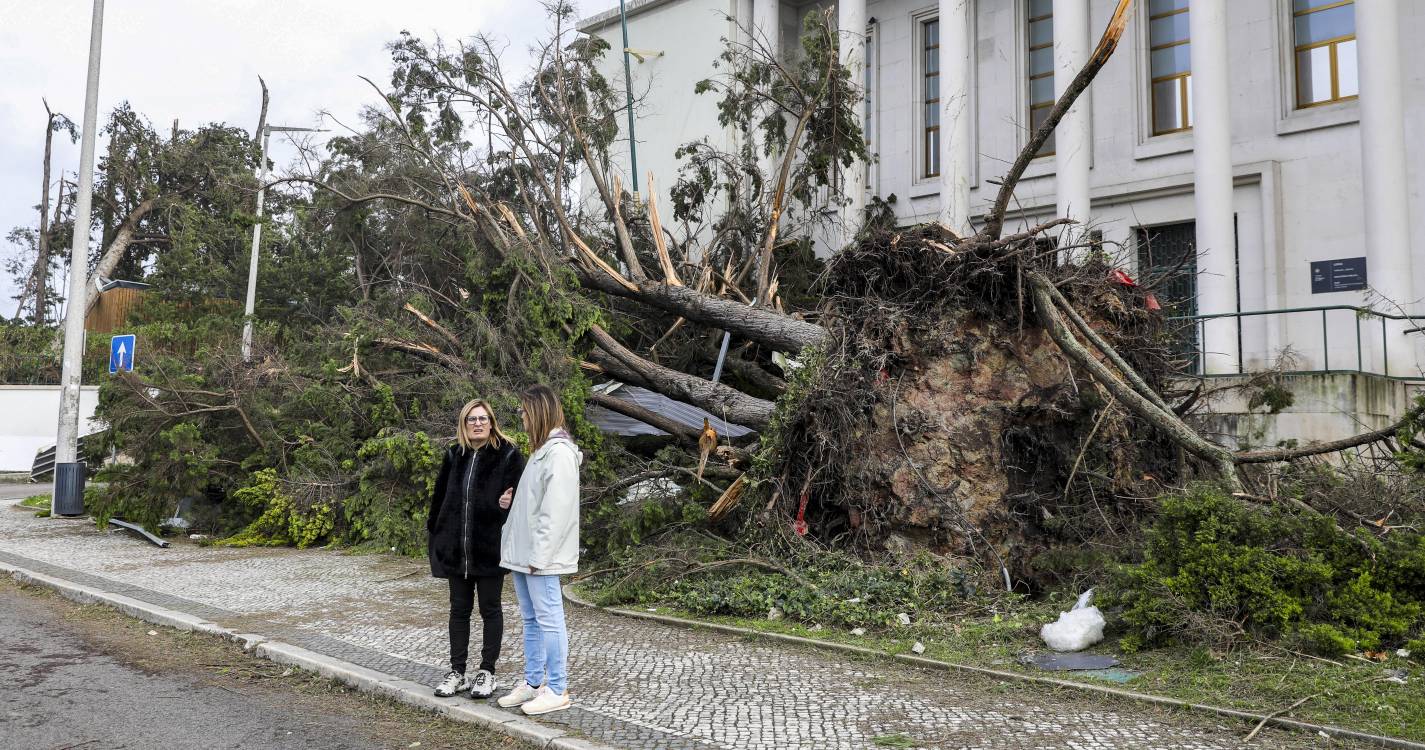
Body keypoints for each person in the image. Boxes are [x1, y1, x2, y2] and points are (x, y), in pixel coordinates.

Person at [427, 398, 525, 700]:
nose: (478, 423)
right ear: (464, 424)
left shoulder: (508, 454)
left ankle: (487, 672)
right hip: (457, 550)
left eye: (483, 418)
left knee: (490, 609)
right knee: (458, 610)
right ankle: (457, 671)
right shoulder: (454, 454)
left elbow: (522, 500)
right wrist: (436, 537)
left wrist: (507, 507)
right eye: (472, 419)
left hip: (490, 549)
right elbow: (439, 499)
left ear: (492, 422)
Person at [496, 384, 582, 716]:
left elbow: (555, 512)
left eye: (523, 411)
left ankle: (557, 688)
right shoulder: (541, 451)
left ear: (538, 411)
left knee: (549, 620)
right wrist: (511, 500)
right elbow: (535, 504)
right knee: (532, 620)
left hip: (538, 558)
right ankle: (533, 683)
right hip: (524, 555)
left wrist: (539, 558)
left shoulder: (559, 453)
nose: (521, 417)